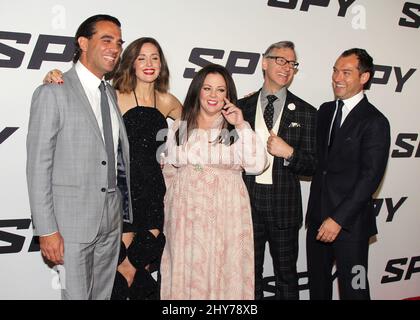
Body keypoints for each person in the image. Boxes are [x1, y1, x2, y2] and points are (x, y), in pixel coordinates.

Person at [43, 37, 182, 300]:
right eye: (141, 57)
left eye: (155, 58)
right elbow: (75, 103)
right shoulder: (111, 94)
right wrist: (54, 77)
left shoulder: (169, 101)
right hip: (121, 192)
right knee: (119, 270)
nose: (149, 64)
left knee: (141, 262)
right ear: (130, 62)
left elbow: (196, 129)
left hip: (153, 191)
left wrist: (231, 107)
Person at [26, 14, 132, 300]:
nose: (114, 48)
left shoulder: (109, 92)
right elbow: (39, 167)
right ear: (83, 43)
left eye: (119, 43)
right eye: (106, 40)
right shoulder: (53, 92)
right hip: (72, 221)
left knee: (101, 295)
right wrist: (46, 230)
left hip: (111, 216)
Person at [160, 64, 268, 299]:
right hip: (185, 221)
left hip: (227, 219)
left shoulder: (236, 129)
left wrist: (241, 124)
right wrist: (173, 210)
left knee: (225, 274)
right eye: (207, 88)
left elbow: (258, 164)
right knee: (187, 276)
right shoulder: (179, 128)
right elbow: (169, 172)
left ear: (228, 95)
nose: (213, 95)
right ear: (197, 91)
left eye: (220, 90)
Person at [305, 48, 390, 300]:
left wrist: (338, 219)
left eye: (346, 72)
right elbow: (317, 161)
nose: (337, 78)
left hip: (350, 226)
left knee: (355, 292)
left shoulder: (375, 121)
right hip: (318, 221)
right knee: (318, 291)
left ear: (364, 77)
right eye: (335, 70)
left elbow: (370, 177)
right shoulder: (325, 111)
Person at [237, 41, 317, 300]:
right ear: (264, 62)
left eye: (292, 63)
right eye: (281, 60)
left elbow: (315, 165)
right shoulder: (240, 108)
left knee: (287, 275)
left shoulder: (306, 112)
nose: (287, 67)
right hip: (246, 202)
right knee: (249, 275)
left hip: (284, 206)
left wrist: (290, 153)